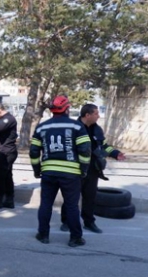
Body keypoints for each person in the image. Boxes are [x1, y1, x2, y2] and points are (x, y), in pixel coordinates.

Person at [29, 95, 92, 247]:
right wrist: (83, 170)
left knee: (45, 204)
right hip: (71, 174)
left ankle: (43, 235)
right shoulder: (77, 127)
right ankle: (75, 238)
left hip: (49, 173)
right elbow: (85, 150)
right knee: (71, 206)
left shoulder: (41, 127)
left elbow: (33, 152)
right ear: (67, 109)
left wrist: (37, 170)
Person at [60, 104, 126, 234]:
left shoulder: (97, 129)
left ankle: (89, 222)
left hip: (92, 169)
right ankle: (66, 221)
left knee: (90, 197)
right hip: (75, 169)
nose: (98, 116)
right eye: (96, 113)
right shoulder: (73, 128)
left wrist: (115, 153)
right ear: (87, 115)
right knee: (71, 197)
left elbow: (104, 146)